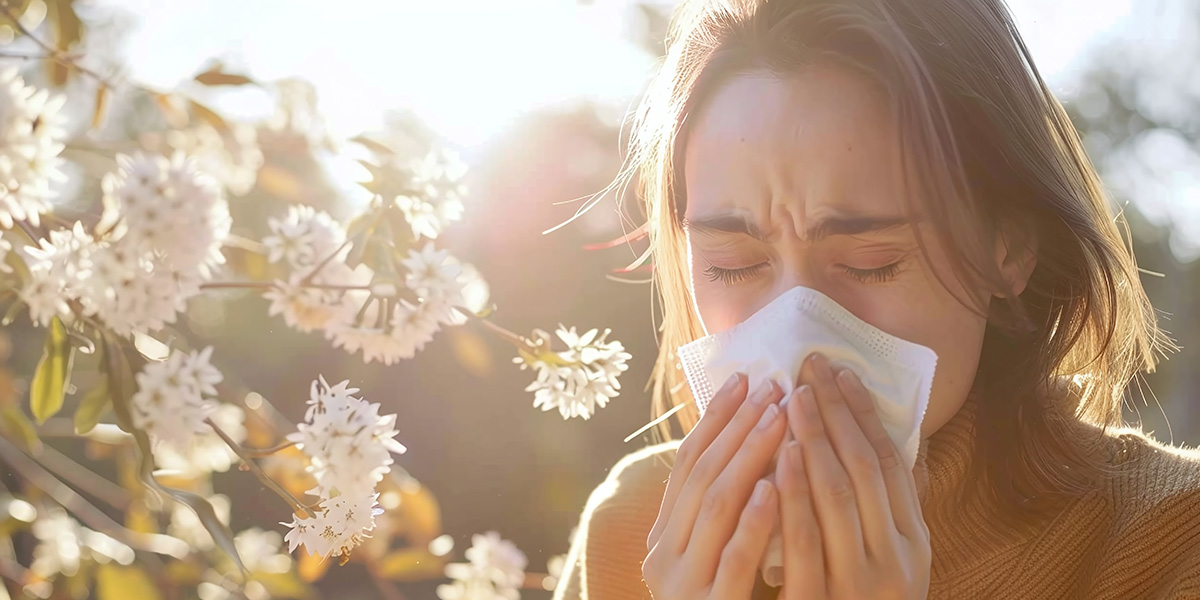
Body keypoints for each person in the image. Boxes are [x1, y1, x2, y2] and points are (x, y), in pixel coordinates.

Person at [551, 0, 1200, 598]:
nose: (798, 339)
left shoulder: (1169, 538)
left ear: (1009, 251)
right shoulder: (632, 531)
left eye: (872, 263)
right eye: (734, 265)